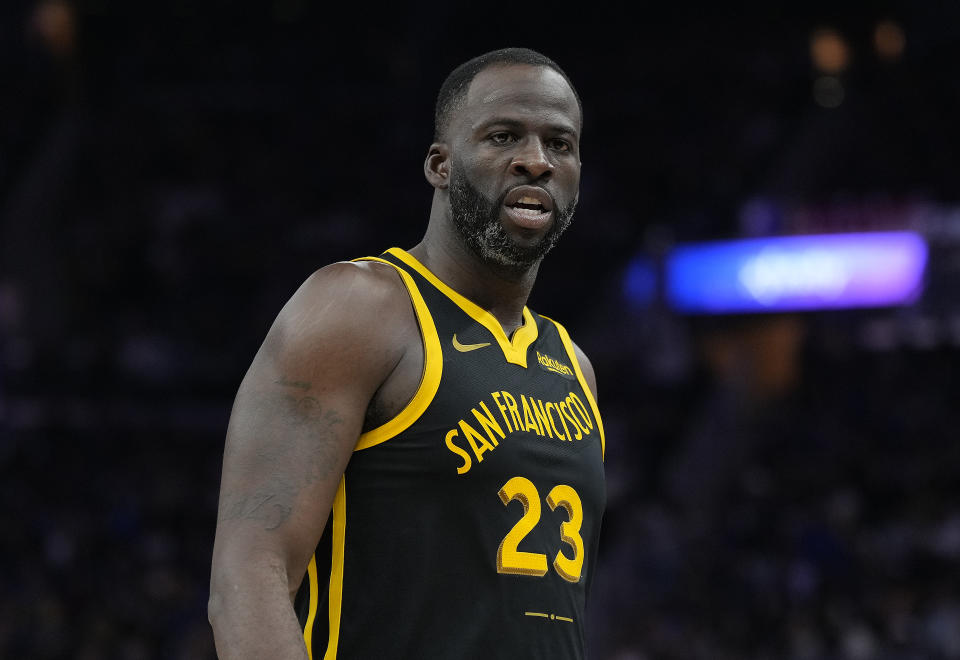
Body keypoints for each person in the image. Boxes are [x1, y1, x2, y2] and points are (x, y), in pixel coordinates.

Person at [208, 46, 606, 659]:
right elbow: (248, 577)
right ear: (440, 165)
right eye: (504, 137)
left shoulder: (574, 366)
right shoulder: (360, 309)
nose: (536, 162)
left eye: (560, 144)